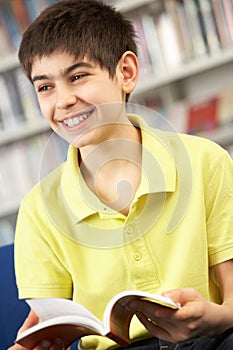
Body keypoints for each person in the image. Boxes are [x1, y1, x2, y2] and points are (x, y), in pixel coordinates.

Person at [10, 0, 233, 349]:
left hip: (211, 338)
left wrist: (211, 318)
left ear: (125, 73)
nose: (63, 100)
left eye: (78, 76)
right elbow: (46, 326)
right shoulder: (38, 210)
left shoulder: (206, 161)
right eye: (45, 87)